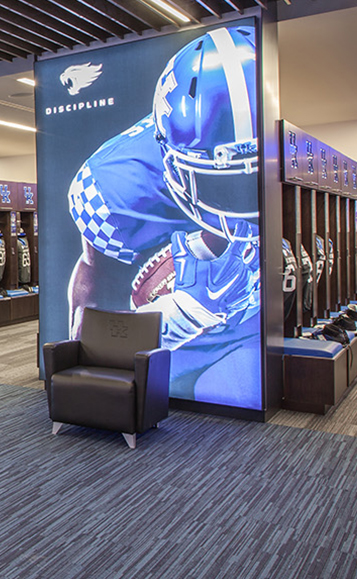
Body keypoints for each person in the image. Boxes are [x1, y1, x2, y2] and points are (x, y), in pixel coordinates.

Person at [65, 26, 260, 407]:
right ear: (169, 157)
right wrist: (142, 327)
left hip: (249, 319)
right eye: (222, 186)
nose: (242, 204)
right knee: (222, 392)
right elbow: (94, 277)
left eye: (255, 177)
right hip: (198, 336)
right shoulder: (110, 190)